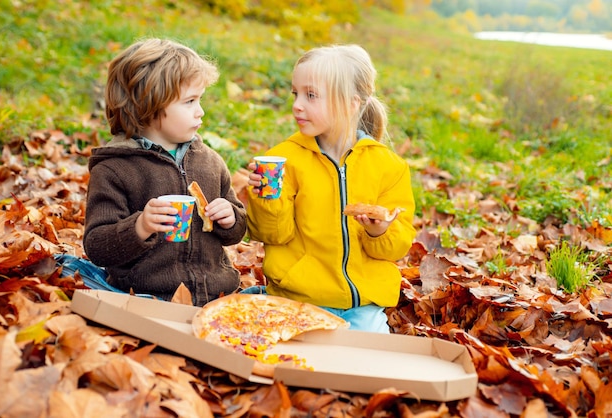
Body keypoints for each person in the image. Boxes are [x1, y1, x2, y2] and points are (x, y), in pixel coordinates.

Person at [245, 44, 416, 333]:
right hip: (300, 297)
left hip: (362, 303)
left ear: (351, 103)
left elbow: (398, 247)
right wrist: (266, 197)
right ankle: (263, 302)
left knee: (367, 364)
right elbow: (272, 234)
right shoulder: (286, 159)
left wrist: (380, 232)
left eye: (311, 95)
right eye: (295, 94)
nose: (297, 104)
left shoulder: (388, 165)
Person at [82, 38, 247, 305]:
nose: (200, 111)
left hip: (217, 295)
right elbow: (97, 247)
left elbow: (236, 231)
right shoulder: (115, 169)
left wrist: (231, 218)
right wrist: (140, 226)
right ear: (150, 104)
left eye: (200, 99)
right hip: (148, 297)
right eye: (190, 101)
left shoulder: (210, 162)